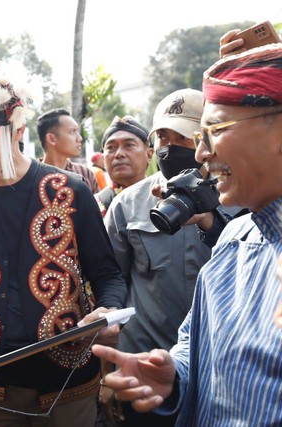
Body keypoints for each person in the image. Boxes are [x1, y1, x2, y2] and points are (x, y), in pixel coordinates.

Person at [0, 48, 126, 426]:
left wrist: (109, 311)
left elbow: (107, 274)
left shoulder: (69, 190)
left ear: (16, 130)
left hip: (69, 379)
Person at [93, 43, 282, 425]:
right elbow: (195, 345)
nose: (199, 154)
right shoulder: (235, 241)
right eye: (164, 138)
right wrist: (173, 376)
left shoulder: (224, 227)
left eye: (213, 131)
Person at [101, 89, 211, 425]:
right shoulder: (127, 204)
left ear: (205, 138)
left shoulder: (238, 196)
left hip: (216, 367)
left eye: (182, 136)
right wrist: (107, 373)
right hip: (146, 369)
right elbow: (111, 284)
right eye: (162, 135)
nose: (170, 145)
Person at [95, 115, 153, 216]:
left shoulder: (163, 199)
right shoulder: (94, 206)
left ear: (149, 154)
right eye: (111, 147)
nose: (119, 154)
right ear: (103, 158)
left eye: (129, 145)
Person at [37, 108, 100, 194]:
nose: (79, 138)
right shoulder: (32, 176)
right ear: (52, 139)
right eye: (72, 132)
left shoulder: (85, 174)